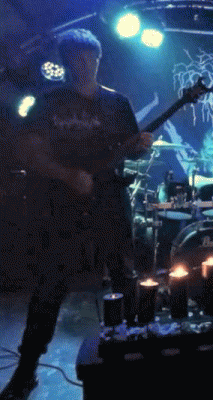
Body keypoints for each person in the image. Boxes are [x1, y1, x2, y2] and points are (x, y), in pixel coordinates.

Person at [0, 28, 153, 400]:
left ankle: (139, 357)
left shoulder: (117, 103)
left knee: (124, 277)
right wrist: (67, 175)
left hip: (110, 202)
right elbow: (25, 151)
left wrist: (141, 147)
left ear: (98, 59)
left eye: (89, 58)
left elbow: (130, 150)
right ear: (65, 62)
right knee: (50, 285)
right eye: (75, 58)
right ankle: (26, 370)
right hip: (61, 207)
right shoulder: (48, 101)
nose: (83, 65)